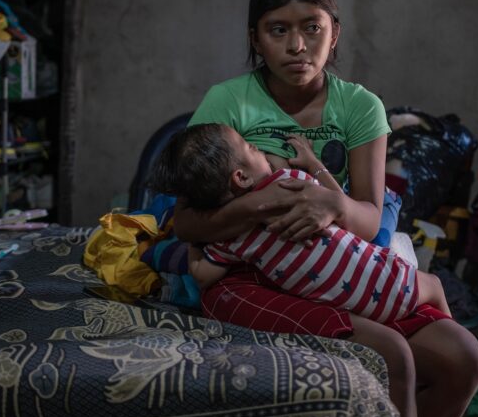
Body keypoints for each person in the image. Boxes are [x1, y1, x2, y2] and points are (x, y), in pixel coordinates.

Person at [171, 0, 478, 417]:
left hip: (332, 265)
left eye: (311, 29)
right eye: (278, 31)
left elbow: (369, 219)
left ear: (333, 33)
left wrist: (333, 206)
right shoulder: (228, 102)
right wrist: (264, 203)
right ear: (256, 39)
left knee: (464, 359)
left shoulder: (359, 107)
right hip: (250, 275)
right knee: (391, 352)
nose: (297, 46)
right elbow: (187, 223)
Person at [153, 122, 451, 321]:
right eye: (251, 147)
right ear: (240, 177)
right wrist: (313, 164)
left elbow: (201, 275)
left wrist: (198, 242)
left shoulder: (228, 243)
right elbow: (341, 206)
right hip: (390, 282)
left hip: (357, 308)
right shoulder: (290, 183)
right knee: (435, 285)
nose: (260, 149)